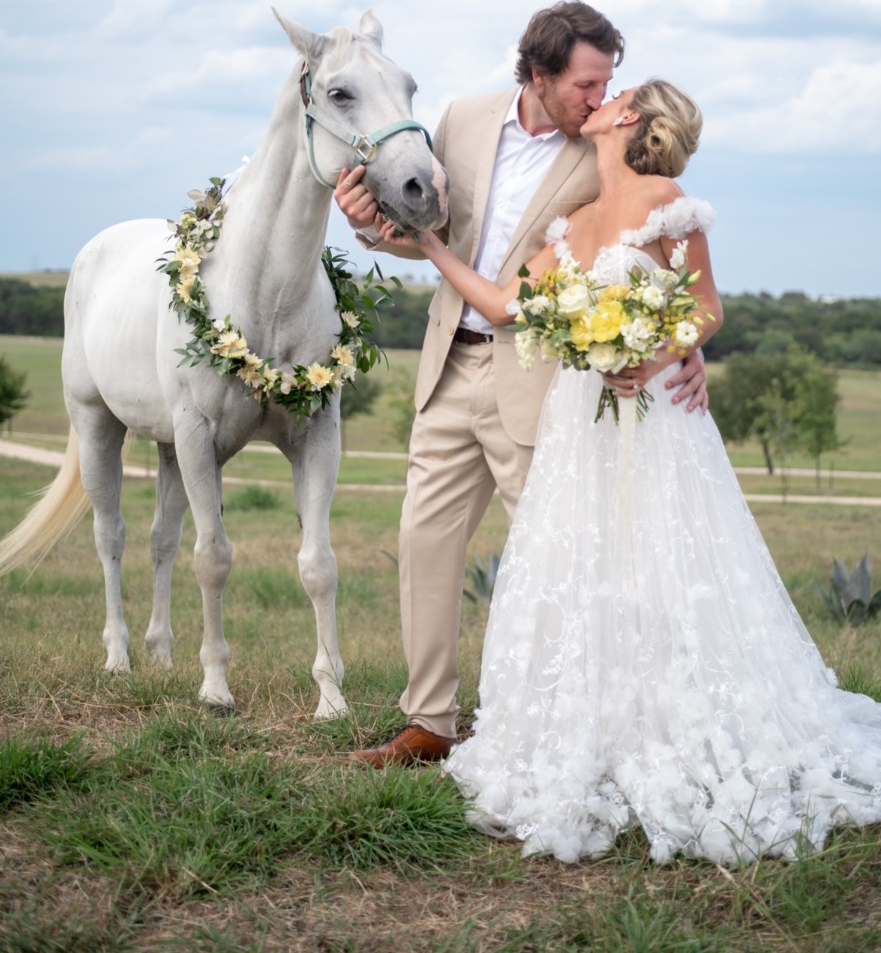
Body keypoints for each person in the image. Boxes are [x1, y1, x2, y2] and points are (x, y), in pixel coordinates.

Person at [376, 78, 881, 864]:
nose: (600, 101)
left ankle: (677, 724)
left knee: (664, 565)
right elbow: (508, 306)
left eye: (616, 95)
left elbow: (706, 305)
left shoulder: (665, 198)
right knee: (584, 567)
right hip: (579, 424)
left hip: (658, 425)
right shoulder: (571, 222)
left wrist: (662, 352)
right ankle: (595, 724)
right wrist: (434, 251)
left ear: (631, 120)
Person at [335, 2, 707, 768]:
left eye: (607, 81)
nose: (600, 98)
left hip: (543, 380)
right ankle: (429, 720)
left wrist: (676, 342)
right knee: (424, 541)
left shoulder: (607, 152)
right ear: (538, 75)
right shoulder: (463, 120)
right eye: (586, 82)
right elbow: (423, 227)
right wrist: (366, 226)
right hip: (449, 362)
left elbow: (652, 255)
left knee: (559, 556)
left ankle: (571, 719)